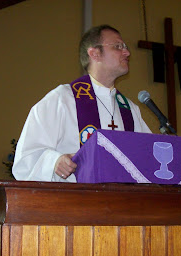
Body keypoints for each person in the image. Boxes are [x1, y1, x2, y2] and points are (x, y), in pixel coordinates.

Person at [13, 24, 152, 182]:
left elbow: (148, 158)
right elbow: (26, 159)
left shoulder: (130, 109)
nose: (127, 52)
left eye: (125, 47)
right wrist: (54, 161)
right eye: (118, 46)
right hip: (73, 203)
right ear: (94, 53)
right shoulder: (63, 99)